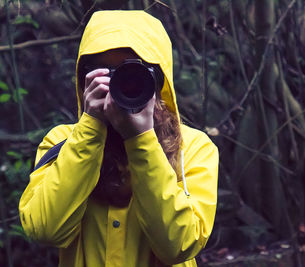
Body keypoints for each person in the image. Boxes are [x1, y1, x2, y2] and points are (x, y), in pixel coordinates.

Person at [19, 10, 219, 267]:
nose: (120, 84)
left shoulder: (191, 147)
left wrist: (141, 139)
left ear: (158, 80)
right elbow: (44, 229)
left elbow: (179, 246)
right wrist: (90, 127)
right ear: (85, 79)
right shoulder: (62, 142)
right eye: (106, 72)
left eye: (133, 73)